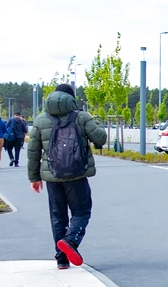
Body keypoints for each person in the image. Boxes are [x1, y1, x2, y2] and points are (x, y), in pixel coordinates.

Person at [27, 84, 108, 270]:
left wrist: (34, 178)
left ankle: (61, 260)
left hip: (52, 176)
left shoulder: (40, 120)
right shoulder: (81, 117)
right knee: (81, 212)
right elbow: (101, 138)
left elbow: (33, 152)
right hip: (77, 175)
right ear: (71, 98)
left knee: (58, 217)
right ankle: (71, 240)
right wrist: (93, 122)